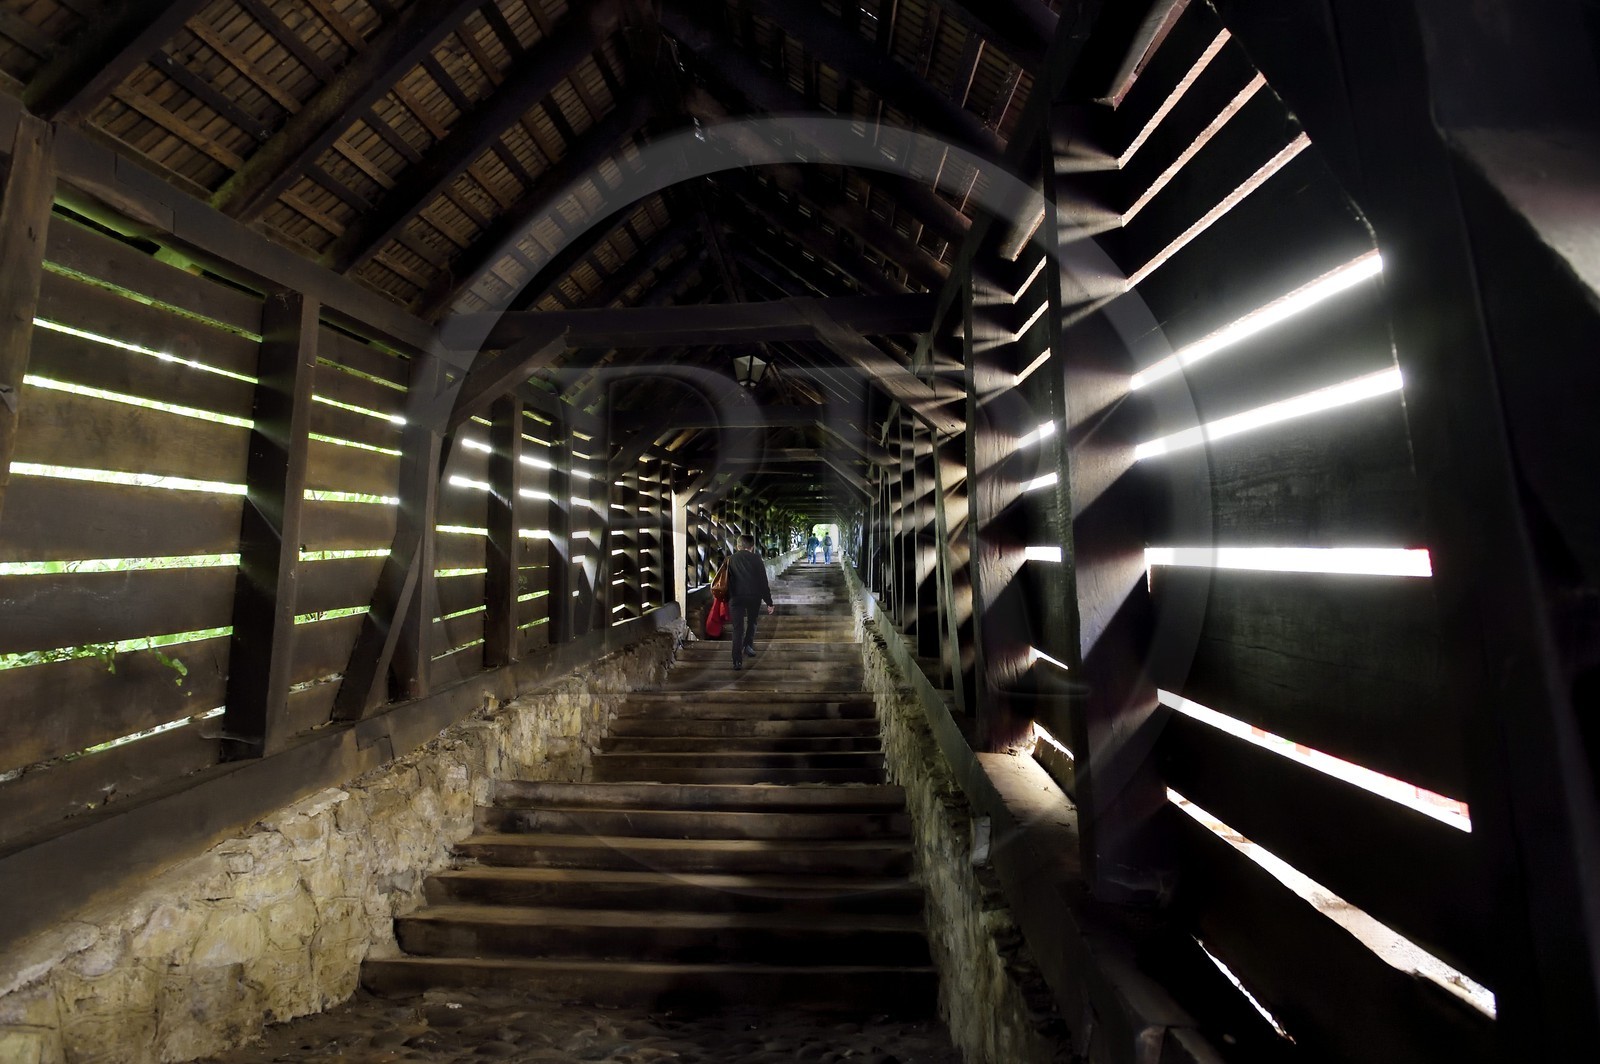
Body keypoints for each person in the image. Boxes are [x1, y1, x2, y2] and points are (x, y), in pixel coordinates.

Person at [726, 534, 774, 670]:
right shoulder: (757, 559)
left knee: (737, 628)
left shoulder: (730, 560)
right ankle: (748, 646)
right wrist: (769, 602)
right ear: (752, 547)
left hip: (736, 598)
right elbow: (763, 582)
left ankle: (736, 660)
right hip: (754, 597)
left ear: (737, 546)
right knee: (752, 622)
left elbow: (726, 581)